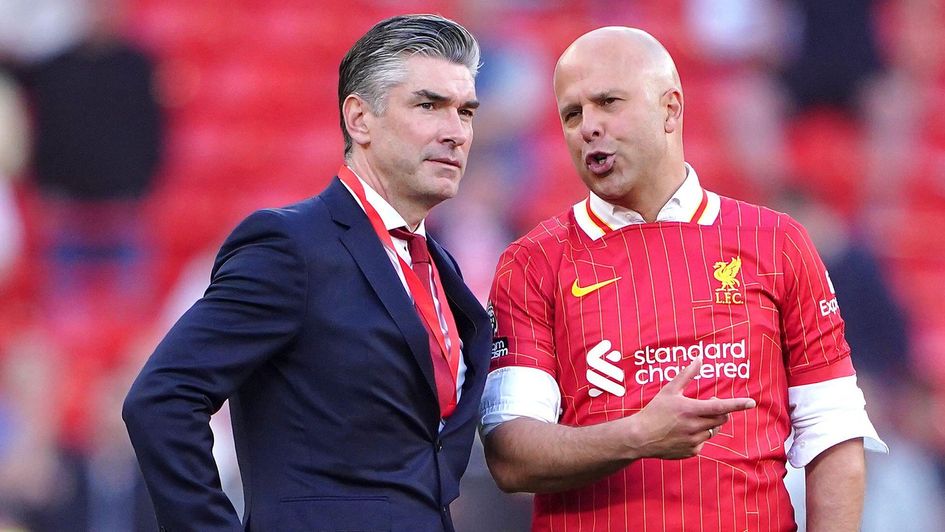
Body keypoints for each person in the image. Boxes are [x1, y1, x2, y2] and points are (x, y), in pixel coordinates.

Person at [479, 26, 887, 532]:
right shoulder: (532, 262)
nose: (588, 127)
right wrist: (639, 435)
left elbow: (833, 432)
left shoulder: (778, 243)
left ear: (671, 107)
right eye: (572, 113)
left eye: (608, 102)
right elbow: (511, 454)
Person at [123, 14, 491, 532]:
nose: (455, 132)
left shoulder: (439, 267)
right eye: (428, 105)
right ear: (360, 119)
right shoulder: (290, 246)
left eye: (466, 112)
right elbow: (161, 399)